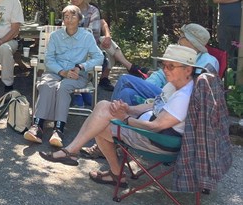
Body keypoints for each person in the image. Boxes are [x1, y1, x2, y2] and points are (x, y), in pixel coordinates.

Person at [39, 45, 202, 188]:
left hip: (156, 140)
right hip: (148, 130)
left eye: (171, 66)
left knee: (99, 123)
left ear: (188, 70)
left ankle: (94, 163)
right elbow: (154, 105)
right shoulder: (175, 84)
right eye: (164, 65)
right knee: (103, 107)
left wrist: (125, 119)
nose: (166, 69)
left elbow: (157, 126)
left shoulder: (183, 97)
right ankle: (76, 154)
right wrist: (128, 109)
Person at [80, 23, 219, 159]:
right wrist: (143, 86)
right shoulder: (181, 52)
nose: (179, 39)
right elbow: (160, 75)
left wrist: (144, 92)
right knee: (127, 93)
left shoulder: (207, 62)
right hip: (163, 95)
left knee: (125, 80)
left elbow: (193, 89)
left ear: (190, 41)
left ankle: (110, 133)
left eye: (182, 36)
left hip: (170, 99)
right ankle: (115, 138)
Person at [23, 5, 104, 147]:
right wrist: (61, 72)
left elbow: (99, 57)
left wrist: (81, 67)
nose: (69, 19)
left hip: (77, 75)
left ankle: (58, 130)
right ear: (63, 20)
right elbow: (49, 59)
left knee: (64, 87)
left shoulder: (87, 36)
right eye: (66, 16)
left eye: (73, 16)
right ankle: (37, 127)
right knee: (46, 84)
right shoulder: (55, 36)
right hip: (56, 72)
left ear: (79, 19)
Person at [68, 0, 119, 91]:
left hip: (89, 45)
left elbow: (94, 32)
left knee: (108, 44)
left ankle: (96, 80)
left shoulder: (92, 10)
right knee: (108, 47)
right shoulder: (69, 10)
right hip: (72, 46)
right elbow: (66, 30)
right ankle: (129, 67)